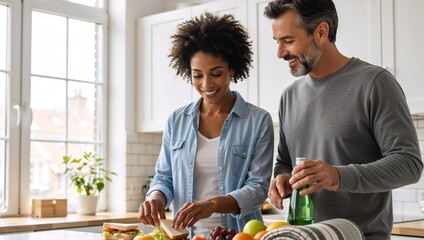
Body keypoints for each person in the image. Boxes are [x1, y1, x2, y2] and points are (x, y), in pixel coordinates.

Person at [263, 0, 423, 239]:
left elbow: (409, 164)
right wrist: (282, 178)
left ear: (321, 32)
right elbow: (284, 161)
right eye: (277, 42)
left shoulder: (375, 83)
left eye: (288, 40)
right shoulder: (289, 97)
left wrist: (338, 176)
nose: (280, 53)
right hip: (304, 235)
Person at [137, 12, 274, 238]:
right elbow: (164, 178)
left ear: (232, 68)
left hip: (239, 235)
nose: (206, 84)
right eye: (197, 75)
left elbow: (258, 188)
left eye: (216, 73)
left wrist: (212, 204)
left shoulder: (258, 121)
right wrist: (155, 198)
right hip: (187, 235)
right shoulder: (176, 120)